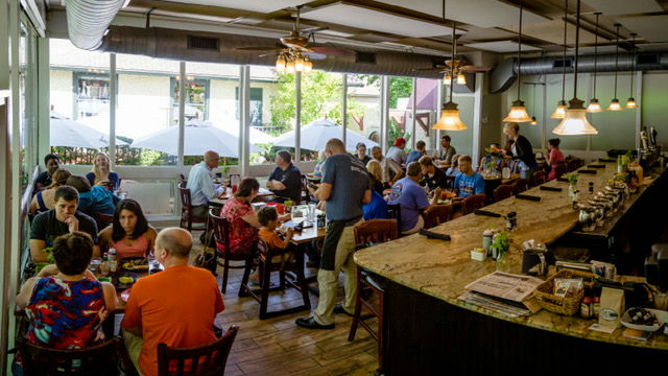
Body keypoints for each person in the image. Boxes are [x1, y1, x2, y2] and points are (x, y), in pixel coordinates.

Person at [121, 228, 224, 376]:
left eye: (155, 246)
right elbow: (212, 316)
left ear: (163, 253)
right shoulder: (208, 277)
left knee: (124, 331)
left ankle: (124, 369)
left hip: (160, 369)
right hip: (205, 364)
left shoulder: (143, 285)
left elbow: (131, 326)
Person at [14, 232, 116, 376]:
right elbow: (111, 306)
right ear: (88, 261)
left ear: (55, 260)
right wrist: (88, 273)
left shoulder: (33, 285)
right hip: (86, 365)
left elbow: (19, 303)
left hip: (37, 366)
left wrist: (42, 272)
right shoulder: (105, 289)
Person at [297, 138, 371, 329]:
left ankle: (323, 318)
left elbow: (324, 195)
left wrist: (313, 191)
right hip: (359, 224)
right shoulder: (361, 165)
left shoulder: (332, 161)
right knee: (351, 269)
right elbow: (367, 198)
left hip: (340, 225)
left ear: (329, 152)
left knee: (327, 272)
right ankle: (350, 306)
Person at [30, 186, 99, 263]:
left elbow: (95, 255)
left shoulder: (88, 222)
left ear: (77, 205)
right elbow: (37, 256)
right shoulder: (41, 220)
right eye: (62, 206)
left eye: (72, 207)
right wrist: (74, 257)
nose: (66, 211)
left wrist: (74, 234)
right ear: (54, 203)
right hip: (48, 267)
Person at [388, 162, 441, 235]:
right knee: (432, 216)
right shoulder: (415, 187)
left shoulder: (397, 183)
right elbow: (429, 208)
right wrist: (436, 195)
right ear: (420, 173)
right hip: (409, 225)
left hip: (395, 224)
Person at [186, 150, 225, 218]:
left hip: (192, 206)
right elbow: (212, 195)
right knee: (226, 212)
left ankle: (215, 228)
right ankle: (218, 228)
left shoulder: (196, 167)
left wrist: (218, 186)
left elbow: (202, 186)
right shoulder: (204, 172)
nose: (219, 162)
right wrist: (222, 189)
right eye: (218, 160)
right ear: (212, 161)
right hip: (199, 209)